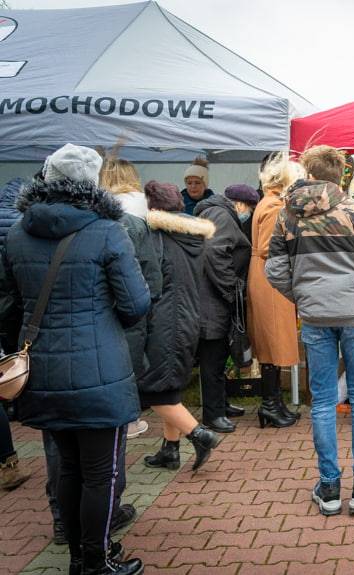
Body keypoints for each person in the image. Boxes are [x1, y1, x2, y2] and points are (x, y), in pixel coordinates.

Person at [0, 143, 150, 575]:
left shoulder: (18, 232)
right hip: (99, 369)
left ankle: (79, 558)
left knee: (67, 467)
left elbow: (10, 303)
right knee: (101, 473)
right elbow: (136, 304)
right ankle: (97, 562)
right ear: (93, 182)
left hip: (42, 369)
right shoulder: (107, 231)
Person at [267, 145, 354, 515]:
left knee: (322, 401)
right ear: (342, 174)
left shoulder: (288, 217)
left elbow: (275, 270)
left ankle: (329, 487)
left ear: (308, 173)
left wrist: (304, 297)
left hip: (315, 316)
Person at [139, 181, 223, 471]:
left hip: (164, 321)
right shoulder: (190, 236)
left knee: (152, 391)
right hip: (186, 318)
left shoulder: (158, 238)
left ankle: (199, 435)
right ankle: (170, 450)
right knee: (170, 387)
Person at [100, 157, 162, 442]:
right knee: (131, 360)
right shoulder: (141, 209)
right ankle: (129, 419)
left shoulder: (96, 213)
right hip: (134, 298)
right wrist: (150, 299)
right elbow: (151, 265)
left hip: (102, 303)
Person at [246, 158, 302, 429]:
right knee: (273, 340)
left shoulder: (269, 202)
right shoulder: (274, 205)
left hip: (267, 274)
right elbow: (270, 247)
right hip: (271, 278)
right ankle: (270, 404)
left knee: (273, 341)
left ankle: (274, 402)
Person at [194, 190, 252, 433]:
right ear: (240, 204)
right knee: (213, 358)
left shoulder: (214, 213)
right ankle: (213, 414)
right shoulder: (222, 215)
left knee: (218, 356)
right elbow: (214, 252)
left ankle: (221, 404)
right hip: (212, 299)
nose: (249, 213)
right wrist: (231, 287)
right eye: (249, 207)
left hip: (211, 296)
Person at [0, 176, 30, 491]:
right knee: (15, 361)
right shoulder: (22, 226)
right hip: (15, 308)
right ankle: (8, 462)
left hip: (8, 304)